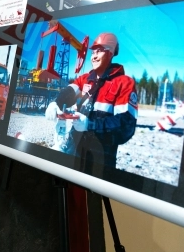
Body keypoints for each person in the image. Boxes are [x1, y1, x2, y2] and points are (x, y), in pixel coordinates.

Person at [46, 33, 138, 168]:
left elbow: (126, 126)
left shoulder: (124, 83)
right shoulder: (85, 79)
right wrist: (56, 103)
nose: (94, 56)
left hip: (100, 161)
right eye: (93, 52)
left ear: (110, 53)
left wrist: (90, 124)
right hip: (76, 153)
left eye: (99, 51)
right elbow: (69, 92)